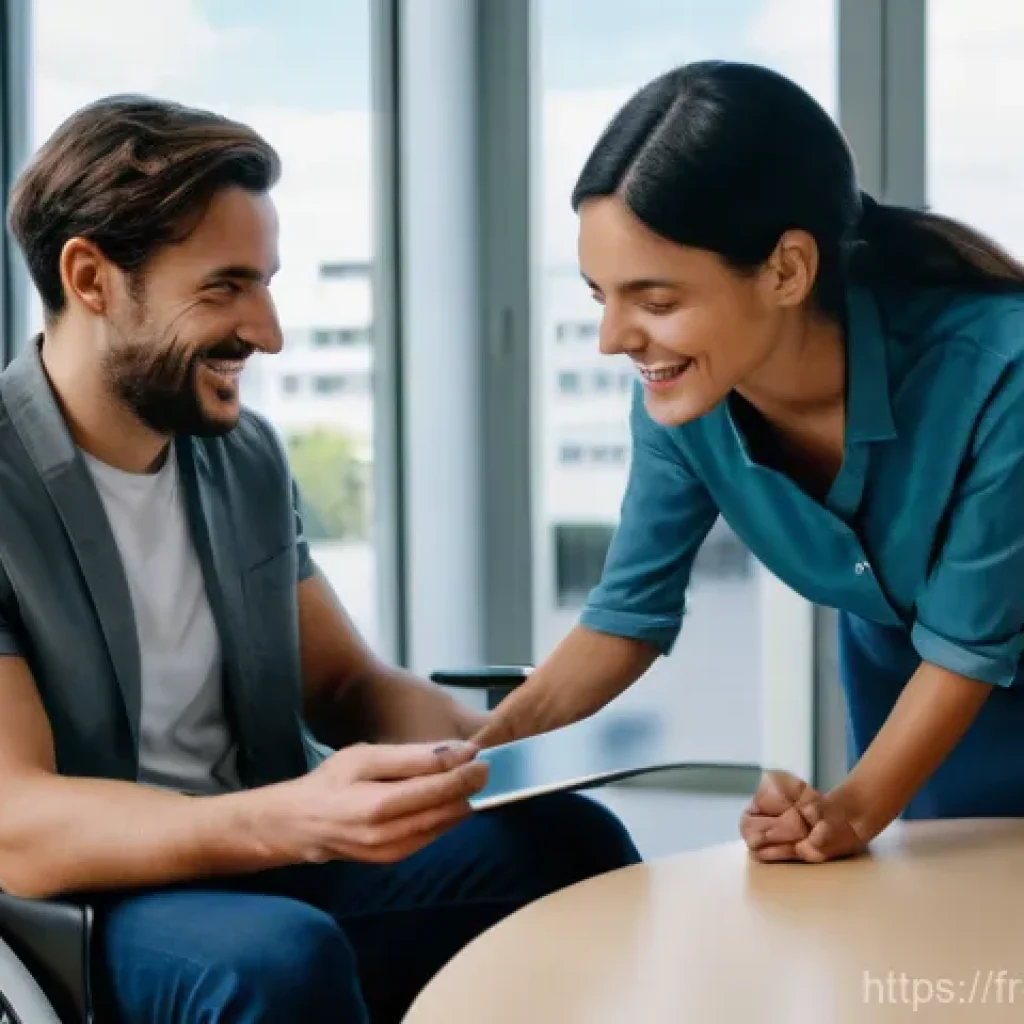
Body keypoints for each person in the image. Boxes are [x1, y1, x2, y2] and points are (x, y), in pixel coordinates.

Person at [0, 95, 640, 1024]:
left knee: (572, 848)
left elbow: (342, 686)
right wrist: (292, 818)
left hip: (271, 846)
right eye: (224, 287)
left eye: (266, 283)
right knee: (277, 963)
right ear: (92, 278)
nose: (268, 332)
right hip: (97, 901)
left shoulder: (241, 455)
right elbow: (17, 822)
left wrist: (493, 755)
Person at [473, 59, 1024, 864]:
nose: (614, 338)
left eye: (656, 301)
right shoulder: (684, 394)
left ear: (787, 270)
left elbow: (968, 644)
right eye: (601, 296)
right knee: (942, 951)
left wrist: (849, 812)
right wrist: (473, 757)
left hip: (960, 672)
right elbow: (625, 617)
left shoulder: (998, 371)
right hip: (915, 685)